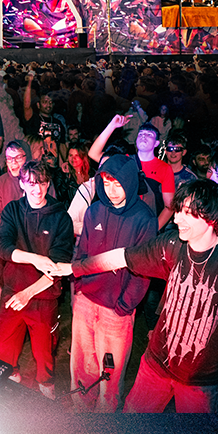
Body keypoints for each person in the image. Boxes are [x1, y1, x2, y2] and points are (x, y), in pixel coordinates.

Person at [58, 176, 218, 412]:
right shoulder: (171, 244)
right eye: (178, 210)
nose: (177, 218)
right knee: (131, 425)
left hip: (200, 379)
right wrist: (74, 268)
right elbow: (122, 257)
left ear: (211, 218)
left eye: (187, 213)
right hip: (155, 365)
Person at [69, 153, 158, 412]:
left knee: (110, 369)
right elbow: (81, 252)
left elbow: (144, 269)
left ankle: (105, 420)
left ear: (130, 183)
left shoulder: (144, 219)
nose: (112, 191)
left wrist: (125, 305)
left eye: (118, 184)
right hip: (86, 299)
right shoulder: (94, 210)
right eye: (106, 184)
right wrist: (78, 290)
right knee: (82, 362)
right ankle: (79, 409)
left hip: (116, 309)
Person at [0, 160, 75, 399]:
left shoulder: (61, 217)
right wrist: (35, 259)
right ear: (21, 184)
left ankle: (45, 385)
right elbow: (2, 246)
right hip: (12, 291)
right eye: (30, 183)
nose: (36, 189)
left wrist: (27, 293)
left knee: (44, 353)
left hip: (43, 296)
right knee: (5, 348)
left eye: (41, 183)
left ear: (48, 183)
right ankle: (11, 376)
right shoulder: (12, 210)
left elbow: (58, 266)